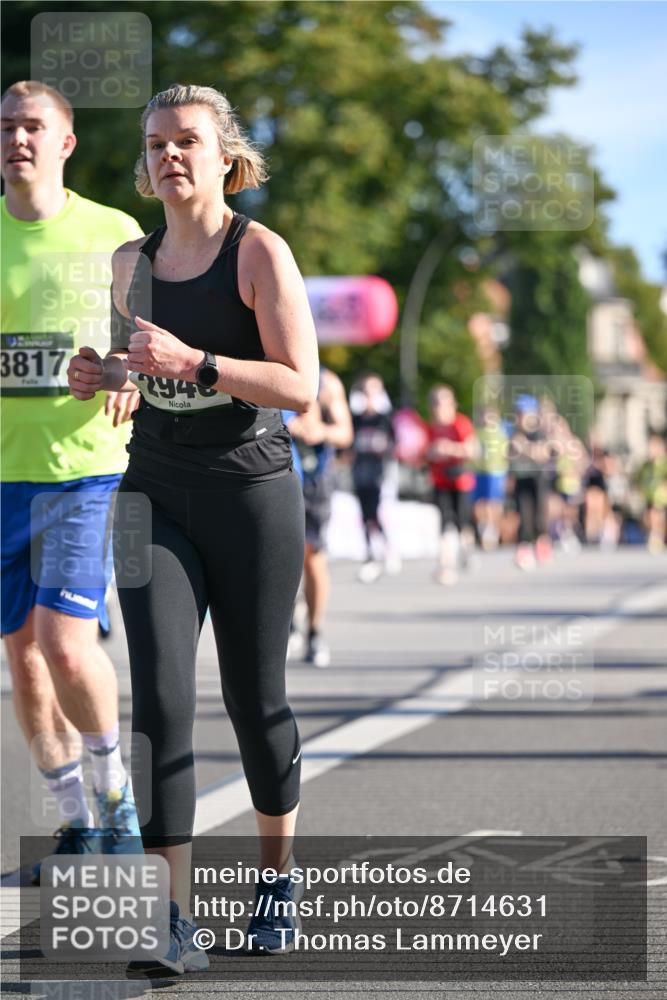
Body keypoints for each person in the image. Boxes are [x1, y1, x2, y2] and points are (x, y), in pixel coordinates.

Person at [67, 83, 319, 974]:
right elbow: (138, 369)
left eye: (185, 142)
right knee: (163, 700)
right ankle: (170, 921)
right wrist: (105, 374)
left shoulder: (258, 252)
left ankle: (276, 880)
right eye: (154, 144)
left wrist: (201, 361)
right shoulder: (128, 263)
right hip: (154, 492)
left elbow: (301, 387)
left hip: (250, 492)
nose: (167, 156)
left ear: (224, 157)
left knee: (256, 702)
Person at [1, 81, 142, 877]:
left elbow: (143, 338)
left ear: (66, 143)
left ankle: (116, 798)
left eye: (33, 127)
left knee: (62, 643)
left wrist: (124, 367)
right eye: (6, 127)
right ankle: (74, 820)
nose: (17, 139)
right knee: (21, 658)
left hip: (82, 470)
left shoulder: (112, 232)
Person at [285, 369, 353, 667]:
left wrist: (319, 431)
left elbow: (345, 433)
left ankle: (314, 631)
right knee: (278, 556)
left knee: (311, 555)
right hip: (271, 471)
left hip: (314, 477)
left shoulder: (326, 380)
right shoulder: (255, 359)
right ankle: (286, 627)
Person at [349, 372, 400, 582]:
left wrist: (383, 447)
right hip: (360, 471)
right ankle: (370, 552)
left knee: (375, 512)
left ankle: (386, 548)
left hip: (379, 473)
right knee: (364, 514)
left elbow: (394, 444)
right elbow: (348, 445)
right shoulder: (357, 419)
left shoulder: (385, 418)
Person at [424, 385, 477, 585]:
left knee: (463, 523)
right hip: (440, 481)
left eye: (444, 403)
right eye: (436, 403)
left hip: (461, 481)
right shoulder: (431, 428)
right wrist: (432, 453)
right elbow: (425, 453)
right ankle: (445, 564)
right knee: (444, 523)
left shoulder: (460, 424)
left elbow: (471, 450)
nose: (440, 408)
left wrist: (449, 449)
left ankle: (467, 549)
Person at [508, 394, 552, 570]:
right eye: (518, 413)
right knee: (523, 514)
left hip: (538, 478)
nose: (521, 417)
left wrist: (525, 448)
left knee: (539, 514)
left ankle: (542, 543)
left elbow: (542, 454)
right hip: (521, 478)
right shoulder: (513, 433)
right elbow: (509, 454)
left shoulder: (539, 433)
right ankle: (524, 549)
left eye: (524, 413)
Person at [473, 405, 509, 552]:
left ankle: (492, 529)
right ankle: (484, 526)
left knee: (493, 502)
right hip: (479, 472)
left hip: (496, 472)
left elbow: (506, 454)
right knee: (479, 503)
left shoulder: (500, 434)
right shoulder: (477, 433)